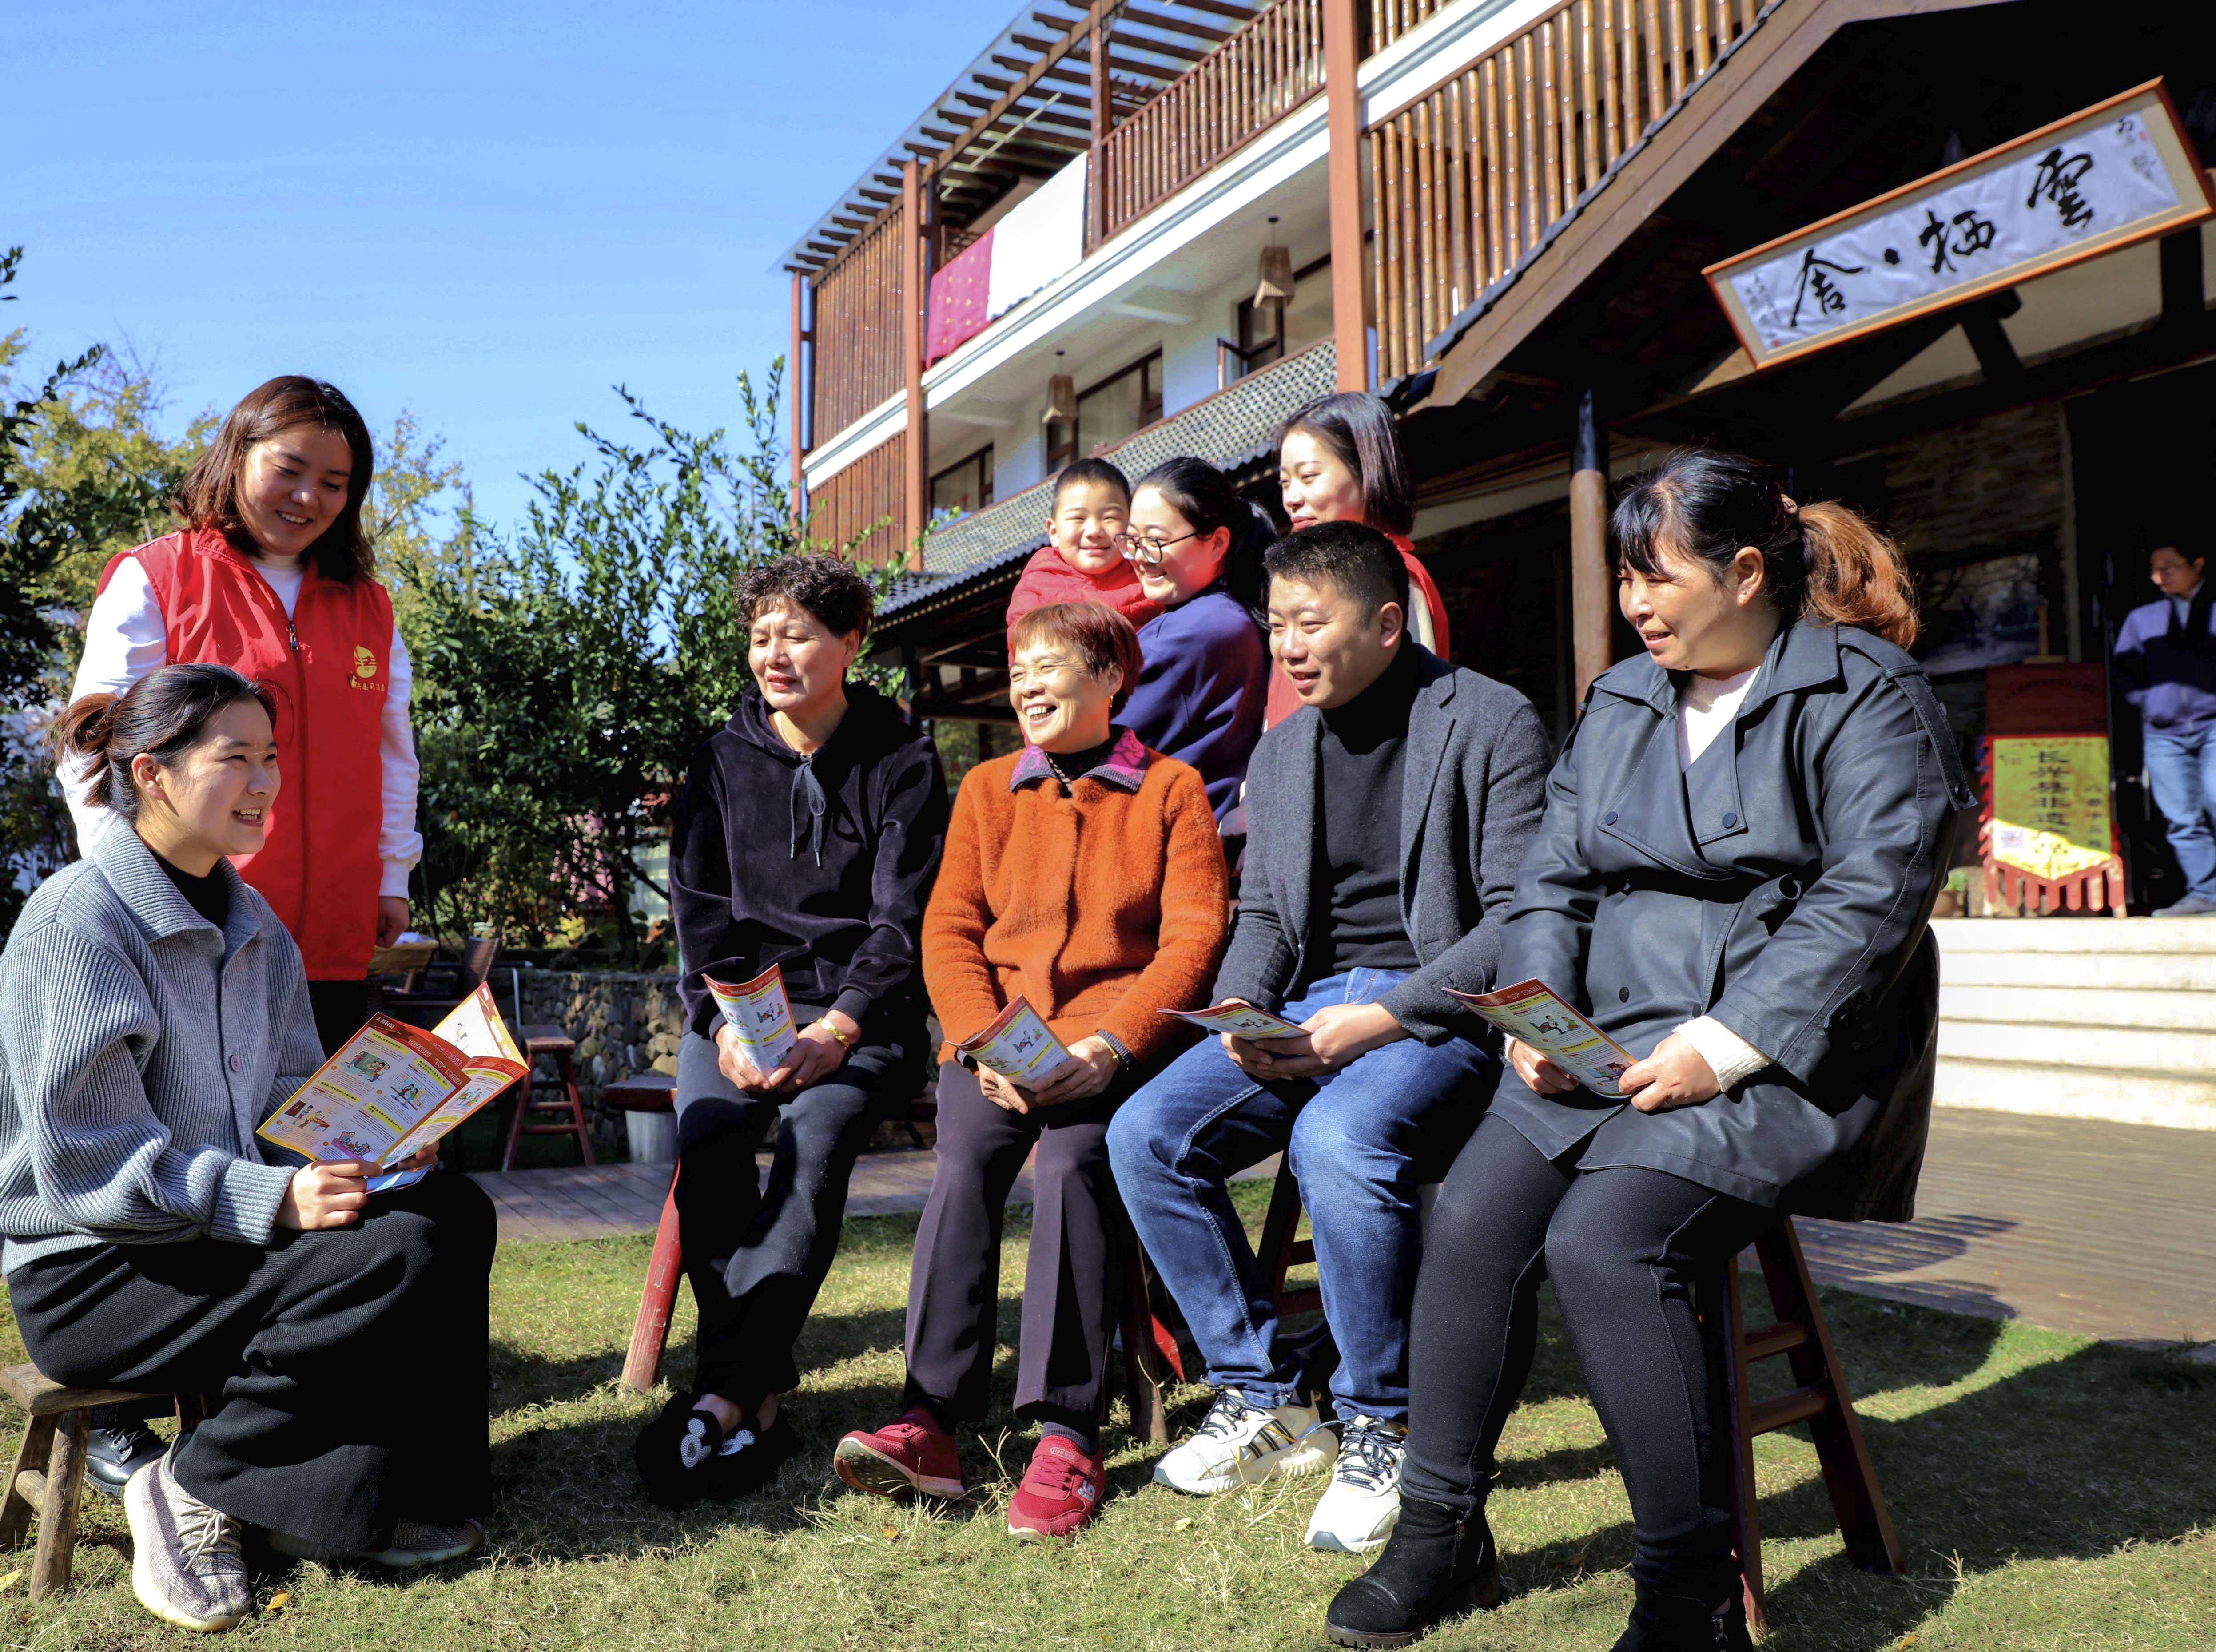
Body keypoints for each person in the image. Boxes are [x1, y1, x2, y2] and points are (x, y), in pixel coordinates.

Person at [1324, 451, 1974, 1652]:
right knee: (1465, 1221)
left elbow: (1872, 895)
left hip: (1782, 1050)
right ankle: (1439, 1535)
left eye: (1654, 575)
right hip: (1602, 1030)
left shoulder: (1865, 693)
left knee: (1605, 1243)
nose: (1636, 603)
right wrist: (1538, 1019)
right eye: (1625, 579)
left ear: (1742, 571)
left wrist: (1722, 1048)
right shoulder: (1624, 695)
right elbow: (1550, 875)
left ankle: (1685, 1597)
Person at [0, 664, 497, 1636]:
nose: (263, 783)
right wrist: (275, 1202)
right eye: (235, 759)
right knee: (391, 1253)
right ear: (154, 774)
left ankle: (368, 1497)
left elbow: (289, 1114)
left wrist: (377, 1149)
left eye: (272, 759)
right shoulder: (78, 920)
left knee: (449, 1212)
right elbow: (89, 1163)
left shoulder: (256, 928)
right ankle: (195, 1482)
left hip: (205, 1236)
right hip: (95, 1268)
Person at [1108, 520, 1551, 1556]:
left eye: (1313, 623)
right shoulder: (1283, 749)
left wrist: (1387, 1016)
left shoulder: (1490, 720)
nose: (1291, 647)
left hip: (1435, 1009)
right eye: (1278, 627)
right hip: (1306, 1006)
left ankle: (1383, 1424)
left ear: (1388, 623)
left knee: (1337, 1141)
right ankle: (1264, 1394)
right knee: (1145, 1134)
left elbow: (1520, 918)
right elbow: (1261, 917)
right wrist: (1243, 1018)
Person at [834, 602, 1228, 1541]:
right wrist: (979, 1040)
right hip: (999, 1047)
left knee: (1072, 1165)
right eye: (1020, 669)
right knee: (966, 1161)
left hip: (1112, 1050)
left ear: (1112, 680)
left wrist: (1109, 1049)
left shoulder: (1173, 790)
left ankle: (1067, 1430)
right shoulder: (984, 792)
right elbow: (949, 930)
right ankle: (929, 1419)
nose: (1029, 684)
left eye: (1052, 665)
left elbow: (1194, 940)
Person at [634, 555, 948, 1508]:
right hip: (739, 1010)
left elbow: (903, 921)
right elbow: (700, 909)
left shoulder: (904, 756)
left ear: (851, 644)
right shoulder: (721, 757)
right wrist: (729, 1026)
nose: (776, 652)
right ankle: (755, 1393)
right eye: (763, 634)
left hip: (865, 1012)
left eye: (800, 634)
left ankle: (723, 1396)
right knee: (714, 1137)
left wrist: (843, 1027)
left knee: (812, 1143)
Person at [64, 376, 418, 1057]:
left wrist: (392, 876)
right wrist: (125, 888)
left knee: (320, 1146)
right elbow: (92, 743)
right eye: (289, 469)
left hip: (334, 939)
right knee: (210, 1143)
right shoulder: (157, 578)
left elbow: (392, 756)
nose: (309, 496)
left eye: (335, 482)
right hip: (197, 928)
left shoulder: (371, 608)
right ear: (237, 457)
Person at [1268, 392, 1452, 726]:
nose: (1291, 499)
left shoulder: (1395, 577)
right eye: (1285, 482)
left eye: (1308, 477)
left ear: (1366, 470)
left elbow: (1417, 716)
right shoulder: (1302, 578)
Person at [1120, 457, 1274, 838]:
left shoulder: (1191, 633)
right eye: (1132, 539)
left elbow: (1090, 743)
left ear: (1217, 542)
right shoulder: (1230, 616)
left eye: (1155, 540)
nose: (1140, 556)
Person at [2113, 540, 2216, 916]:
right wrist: (2150, 704)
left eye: (2170, 567)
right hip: (2163, 733)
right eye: (2155, 570)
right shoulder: (2144, 619)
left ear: (2198, 564)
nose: (2160, 577)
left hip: (2213, 727)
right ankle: (2206, 895)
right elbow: (2125, 671)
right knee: (2182, 817)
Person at [1003, 458, 1166, 634]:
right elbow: (1025, 651)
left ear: (1132, 525)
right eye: (1078, 519)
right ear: (1054, 532)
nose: (1094, 531)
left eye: (1110, 518)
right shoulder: (1035, 586)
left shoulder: (1152, 578)